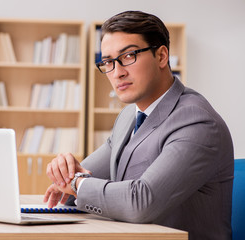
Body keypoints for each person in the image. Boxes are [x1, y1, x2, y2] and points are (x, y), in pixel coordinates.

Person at [43, 10, 234, 240]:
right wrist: (66, 172)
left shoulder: (197, 121)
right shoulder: (127, 118)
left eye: (129, 56)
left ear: (162, 56)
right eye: (108, 62)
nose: (117, 72)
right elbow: (79, 185)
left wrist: (77, 183)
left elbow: (140, 201)